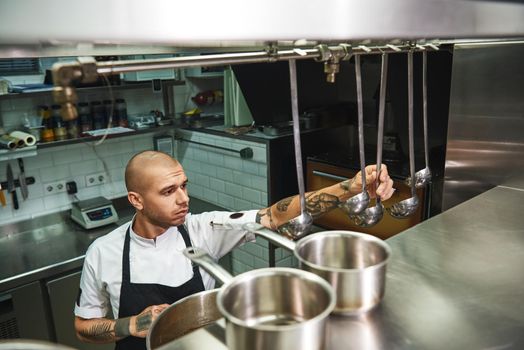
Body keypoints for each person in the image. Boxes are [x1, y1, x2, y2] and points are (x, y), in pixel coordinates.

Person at [74, 150, 394, 349]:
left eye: (184, 186)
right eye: (169, 191)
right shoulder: (103, 252)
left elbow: (272, 216)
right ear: (136, 200)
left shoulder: (203, 228)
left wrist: (348, 188)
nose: (184, 198)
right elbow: (83, 327)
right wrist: (130, 325)